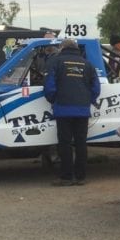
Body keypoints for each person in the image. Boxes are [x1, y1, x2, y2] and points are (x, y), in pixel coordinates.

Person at [44, 39, 101, 186]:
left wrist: (54, 99)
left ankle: (66, 177)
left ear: (62, 48)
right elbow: (96, 88)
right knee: (81, 143)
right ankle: (81, 177)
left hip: (63, 109)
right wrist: (87, 99)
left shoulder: (56, 63)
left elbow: (49, 87)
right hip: (82, 110)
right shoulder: (88, 64)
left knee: (65, 144)